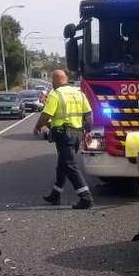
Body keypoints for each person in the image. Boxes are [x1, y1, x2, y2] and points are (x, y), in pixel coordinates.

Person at [33, 69, 93, 209]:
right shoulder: (79, 93)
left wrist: (37, 127)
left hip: (64, 135)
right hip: (77, 134)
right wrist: (87, 131)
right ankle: (56, 194)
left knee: (70, 165)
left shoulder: (55, 94)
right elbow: (88, 114)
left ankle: (86, 198)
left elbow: (46, 115)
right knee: (62, 165)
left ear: (54, 80)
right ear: (65, 79)